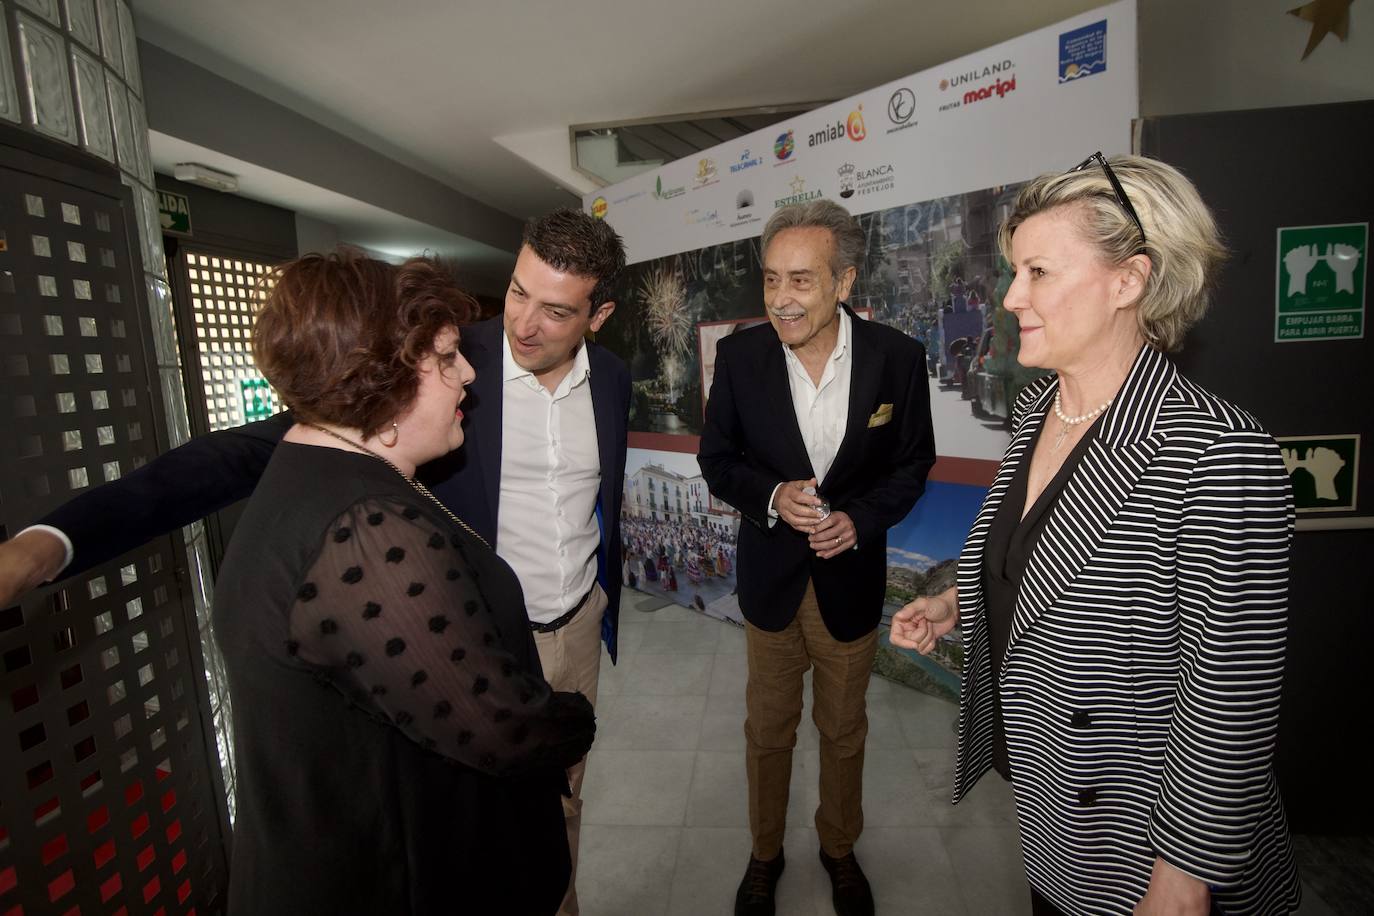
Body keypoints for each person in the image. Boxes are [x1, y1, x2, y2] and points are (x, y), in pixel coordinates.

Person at [0, 208, 629, 916]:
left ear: (597, 315)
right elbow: (231, 457)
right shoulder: (424, 362)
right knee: (475, 826)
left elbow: (599, 500)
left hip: (574, 624)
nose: (522, 324)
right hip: (449, 647)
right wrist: (50, 541)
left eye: (554, 310)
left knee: (556, 812)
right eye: (517, 292)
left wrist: (598, 604)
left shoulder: (610, 379)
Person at [890, 153, 1302, 915]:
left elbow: (1230, 692)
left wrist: (1182, 878)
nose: (1011, 297)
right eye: (1015, 271)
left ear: (1129, 281)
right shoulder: (1038, 410)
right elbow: (1038, 560)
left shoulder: (1216, 450)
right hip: (1055, 818)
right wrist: (959, 599)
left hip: (1149, 848)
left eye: (1038, 272)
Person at [215, 249, 594, 913]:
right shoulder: (367, 529)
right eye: (448, 358)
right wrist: (573, 721)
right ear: (385, 381)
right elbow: (502, 729)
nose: (470, 374)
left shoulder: (317, 469)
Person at [698, 199, 936, 916]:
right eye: (771, 280)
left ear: (844, 281)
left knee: (844, 730)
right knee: (768, 733)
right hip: (771, 583)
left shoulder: (898, 358)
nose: (781, 298)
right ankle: (764, 855)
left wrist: (858, 522)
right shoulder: (740, 356)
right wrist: (772, 495)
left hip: (850, 585)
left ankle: (839, 849)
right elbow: (717, 460)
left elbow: (912, 463)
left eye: (801, 280)